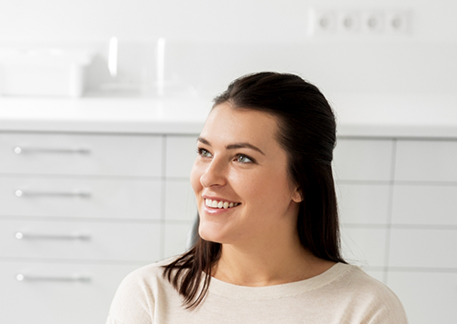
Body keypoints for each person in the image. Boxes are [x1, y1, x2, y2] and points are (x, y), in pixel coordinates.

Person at [106, 72, 407, 324]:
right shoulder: (149, 295)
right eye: (205, 152)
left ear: (302, 183)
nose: (209, 177)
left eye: (242, 158)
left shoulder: (365, 309)